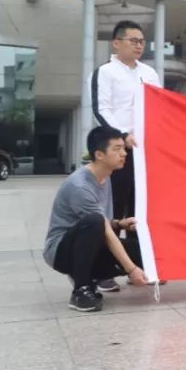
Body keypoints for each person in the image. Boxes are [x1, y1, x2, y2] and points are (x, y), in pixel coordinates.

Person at [44, 126, 150, 312]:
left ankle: (91, 277)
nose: (124, 154)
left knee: (145, 254)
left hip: (92, 240)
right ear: (99, 155)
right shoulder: (80, 186)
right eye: (117, 149)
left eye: (123, 148)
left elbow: (105, 226)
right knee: (94, 222)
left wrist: (119, 223)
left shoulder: (105, 176)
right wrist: (131, 270)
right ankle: (80, 290)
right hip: (61, 251)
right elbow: (101, 228)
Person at [92, 19, 160, 291]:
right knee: (114, 209)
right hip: (118, 150)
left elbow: (160, 107)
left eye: (142, 41)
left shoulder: (149, 73)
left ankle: (142, 267)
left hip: (145, 152)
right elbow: (101, 109)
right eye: (134, 40)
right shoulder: (106, 72)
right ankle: (104, 271)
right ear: (116, 42)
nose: (139, 45)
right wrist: (122, 136)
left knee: (141, 210)